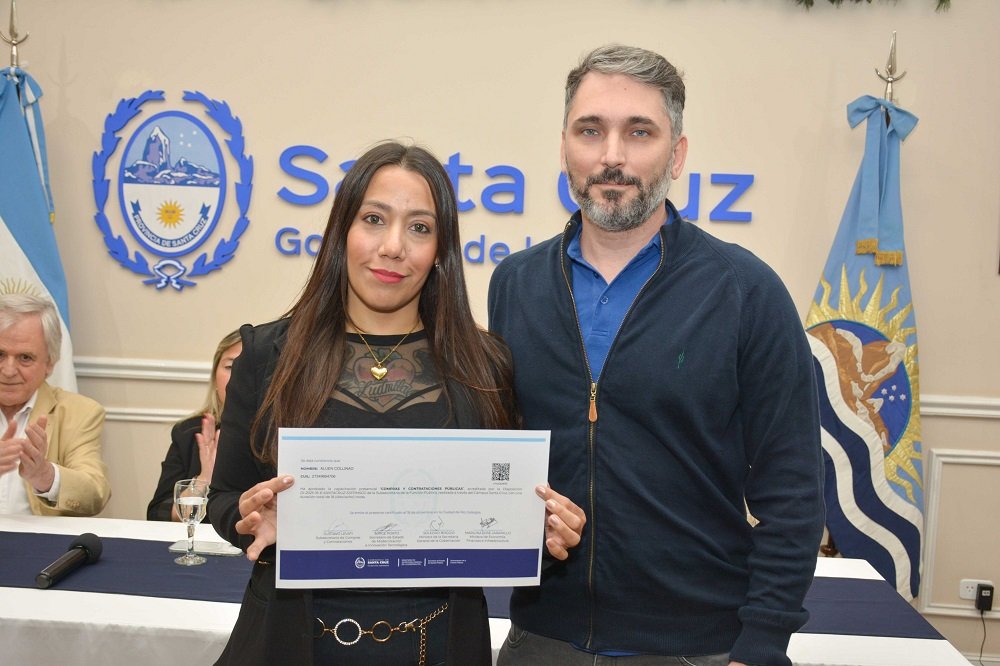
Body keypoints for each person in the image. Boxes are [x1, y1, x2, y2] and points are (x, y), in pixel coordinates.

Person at [488, 45, 825, 666]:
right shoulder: (515, 284)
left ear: (677, 154)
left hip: (698, 647)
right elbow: (502, 453)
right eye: (591, 130)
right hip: (540, 638)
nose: (611, 156)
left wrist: (762, 644)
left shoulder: (745, 291)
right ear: (564, 147)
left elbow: (794, 489)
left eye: (639, 132)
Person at [208, 141, 585, 666]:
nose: (393, 247)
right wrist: (248, 515)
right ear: (341, 230)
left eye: (420, 228)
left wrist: (544, 527)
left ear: (440, 251)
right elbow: (223, 499)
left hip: (440, 643)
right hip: (288, 641)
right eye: (373, 219)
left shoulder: (485, 365)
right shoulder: (267, 354)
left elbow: (507, 506)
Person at [0, 293, 111, 516]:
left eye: (25, 358)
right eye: (0, 354)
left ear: (49, 363)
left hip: (34, 538)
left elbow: (95, 494)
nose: (9, 370)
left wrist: (43, 474)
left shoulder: (79, 412)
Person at [146, 329, 242, 523]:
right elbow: (158, 514)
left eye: (248, 367)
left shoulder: (283, 435)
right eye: (230, 366)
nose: (238, 377)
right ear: (215, 377)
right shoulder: (189, 433)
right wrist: (204, 479)